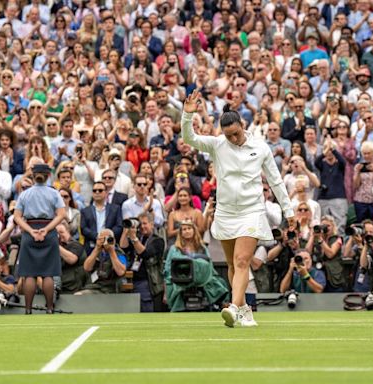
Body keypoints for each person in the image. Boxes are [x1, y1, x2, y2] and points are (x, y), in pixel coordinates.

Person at [181, 90, 295, 327]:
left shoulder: (261, 147)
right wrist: (187, 115)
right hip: (225, 212)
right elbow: (190, 138)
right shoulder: (218, 144)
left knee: (243, 260)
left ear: (242, 126)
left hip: (252, 210)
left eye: (235, 134)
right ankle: (244, 309)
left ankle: (233, 308)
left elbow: (275, 181)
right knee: (233, 264)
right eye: (227, 135)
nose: (232, 139)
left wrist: (289, 211)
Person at [13, 164, 66, 314]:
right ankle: (49, 308)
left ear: (33, 175)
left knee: (29, 274)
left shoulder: (25, 194)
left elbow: (17, 217)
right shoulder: (54, 193)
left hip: (30, 232)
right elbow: (61, 214)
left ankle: (28, 309)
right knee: (48, 273)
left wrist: (30, 230)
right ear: (48, 175)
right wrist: (47, 229)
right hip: (47, 231)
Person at [119, 212, 165, 312]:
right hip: (132, 279)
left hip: (147, 281)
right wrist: (126, 230)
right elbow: (123, 247)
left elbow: (146, 254)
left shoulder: (158, 240)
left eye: (145, 223)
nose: (142, 226)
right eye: (141, 224)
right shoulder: (137, 238)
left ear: (152, 224)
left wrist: (134, 238)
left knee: (146, 309)